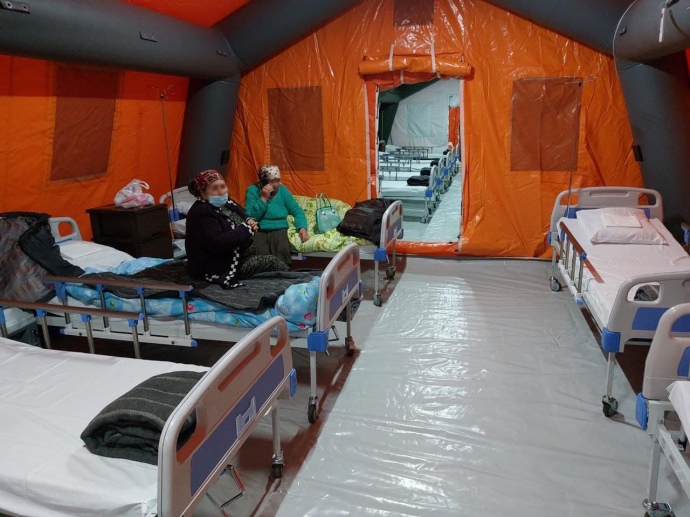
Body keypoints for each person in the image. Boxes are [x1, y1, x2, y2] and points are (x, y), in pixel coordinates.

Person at [184, 169, 288, 289]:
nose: (221, 191)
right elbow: (218, 242)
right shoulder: (202, 212)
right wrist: (246, 229)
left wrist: (249, 220)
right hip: (222, 265)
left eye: (223, 186)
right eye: (214, 188)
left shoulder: (225, 202)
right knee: (273, 262)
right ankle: (294, 286)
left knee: (273, 258)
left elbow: (242, 213)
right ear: (202, 192)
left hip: (243, 255)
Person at [245, 164, 309, 266]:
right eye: (271, 181)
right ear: (263, 181)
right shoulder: (252, 190)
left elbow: (297, 211)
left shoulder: (283, 190)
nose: (275, 185)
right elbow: (250, 216)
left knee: (282, 251)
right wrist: (263, 198)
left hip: (279, 228)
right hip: (260, 228)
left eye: (278, 180)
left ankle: (283, 274)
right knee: (260, 255)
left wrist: (302, 227)